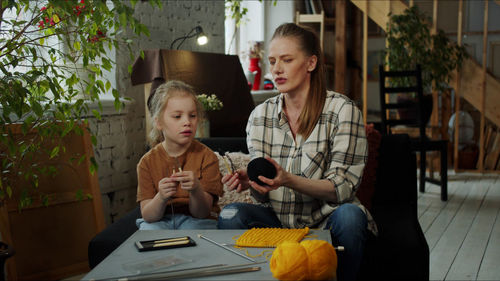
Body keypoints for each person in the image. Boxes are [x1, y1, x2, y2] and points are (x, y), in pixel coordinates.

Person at [217, 23, 377, 281]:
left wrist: (288, 179)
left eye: (287, 60)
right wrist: (256, 184)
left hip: (327, 218)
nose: (276, 69)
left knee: (351, 216)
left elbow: (342, 189)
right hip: (278, 219)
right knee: (230, 215)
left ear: (311, 63)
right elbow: (264, 198)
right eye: (272, 61)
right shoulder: (260, 117)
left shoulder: (343, 111)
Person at [136, 80, 223, 230]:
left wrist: (196, 190)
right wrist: (161, 197)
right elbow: (148, 216)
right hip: (159, 220)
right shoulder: (147, 162)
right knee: (149, 231)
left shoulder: (207, 157)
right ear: (159, 123)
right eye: (177, 116)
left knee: (198, 229)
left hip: (196, 220)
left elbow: (202, 213)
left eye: (193, 116)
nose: (187, 122)